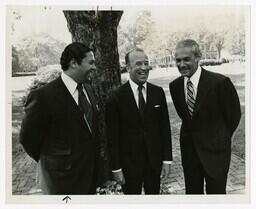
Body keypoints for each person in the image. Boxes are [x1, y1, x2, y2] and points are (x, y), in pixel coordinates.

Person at [20, 42, 100, 194]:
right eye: (91, 63)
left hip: (89, 177)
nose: (94, 67)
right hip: (60, 183)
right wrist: (54, 163)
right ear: (74, 63)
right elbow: (28, 139)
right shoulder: (43, 97)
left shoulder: (88, 89)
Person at [169, 39, 241, 194]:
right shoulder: (174, 86)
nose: (182, 64)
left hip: (216, 154)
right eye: (178, 60)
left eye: (186, 59)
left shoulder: (220, 83)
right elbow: (186, 118)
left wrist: (220, 138)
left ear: (198, 57)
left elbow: (234, 115)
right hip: (190, 153)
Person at [106, 48, 172, 194]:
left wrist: (167, 160)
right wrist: (116, 168)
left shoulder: (158, 93)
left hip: (154, 163)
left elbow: (165, 129)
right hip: (129, 165)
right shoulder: (116, 97)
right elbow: (112, 137)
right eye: (138, 64)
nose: (144, 68)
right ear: (128, 67)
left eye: (146, 63)